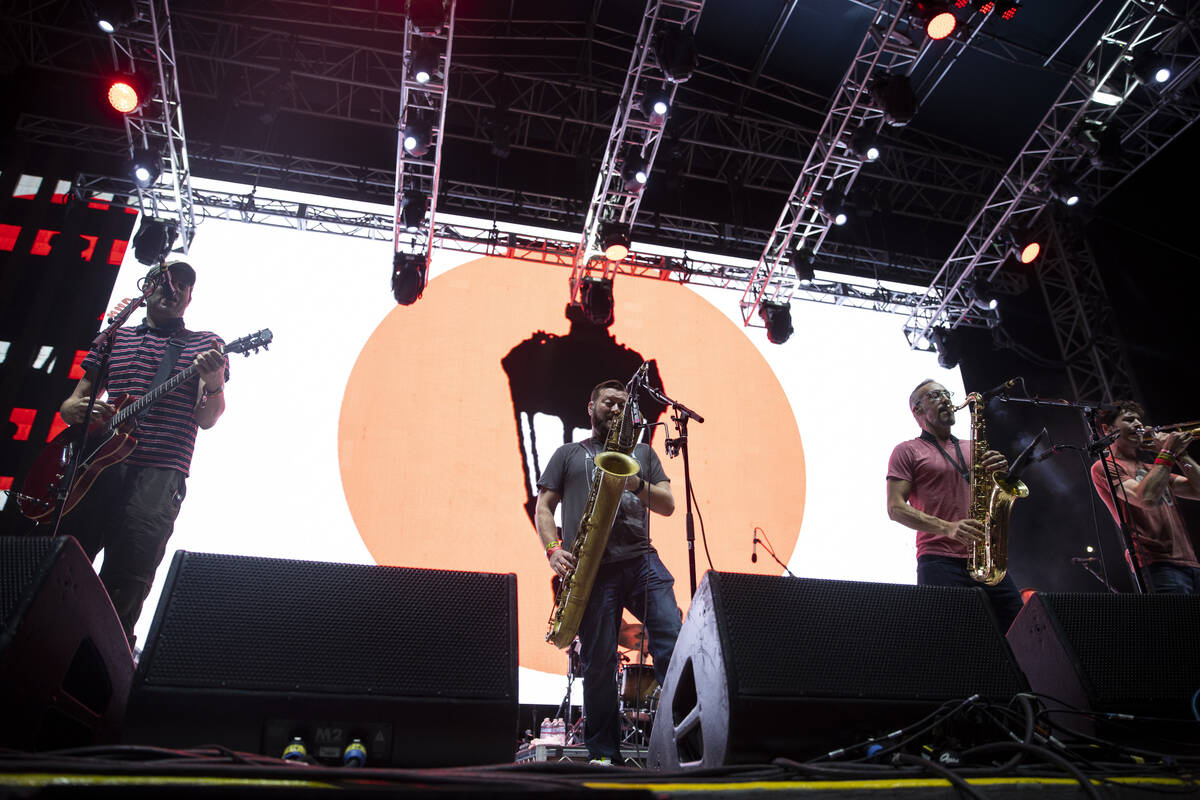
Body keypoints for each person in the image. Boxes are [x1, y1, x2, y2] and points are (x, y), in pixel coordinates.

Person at [54, 261, 228, 647]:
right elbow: (73, 403)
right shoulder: (115, 338)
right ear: (146, 289)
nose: (175, 289)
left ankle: (100, 663)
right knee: (64, 559)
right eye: (167, 282)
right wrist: (78, 411)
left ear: (190, 297)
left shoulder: (205, 344)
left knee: (127, 581)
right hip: (95, 468)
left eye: (184, 285)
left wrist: (214, 382)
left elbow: (208, 418)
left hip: (158, 471)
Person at [535, 379, 677, 765]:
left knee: (672, 636)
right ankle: (604, 755)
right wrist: (553, 549)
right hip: (593, 567)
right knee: (598, 663)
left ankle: (684, 732)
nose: (615, 410)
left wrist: (635, 482)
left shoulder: (644, 453)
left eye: (622, 405)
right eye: (608, 403)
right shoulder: (567, 453)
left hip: (640, 559)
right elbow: (544, 507)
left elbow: (667, 504)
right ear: (591, 406)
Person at [886, 379, 1024, 630]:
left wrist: (1001, 475)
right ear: (917, 410)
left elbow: (989, 497)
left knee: (1025, 634)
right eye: (935, 395)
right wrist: (948, 528)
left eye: (947, 393)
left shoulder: (974, 448)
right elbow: (895, 508)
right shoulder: (907, 451)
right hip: (939, 562)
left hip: (986, 559)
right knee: (958, 644)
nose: (946, 400)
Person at [1090, 401, 1200, 593]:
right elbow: (1146, 499)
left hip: (1191, 561)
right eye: (1129, 420)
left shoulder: (1153, 468)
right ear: (1108, 429)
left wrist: (1181, 455)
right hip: (1157, 565)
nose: (1139, 425)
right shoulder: (1105, 467)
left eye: (1140, 420)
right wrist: (1168, 453)